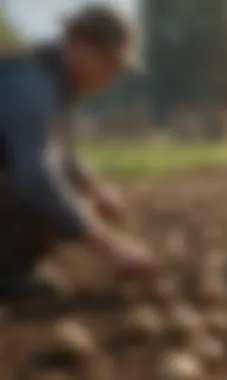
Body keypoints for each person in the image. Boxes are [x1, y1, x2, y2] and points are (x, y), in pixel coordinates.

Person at [0, 5, 155, 300]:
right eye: (109, 63)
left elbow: (61, 154)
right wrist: (111, 248)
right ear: (78, 43)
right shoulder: (30, 84)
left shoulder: (54, 84)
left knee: (72, 192)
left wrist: (95, 188)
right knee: (52, 191)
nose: (111, 78)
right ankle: (5, 274)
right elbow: (37, 176)